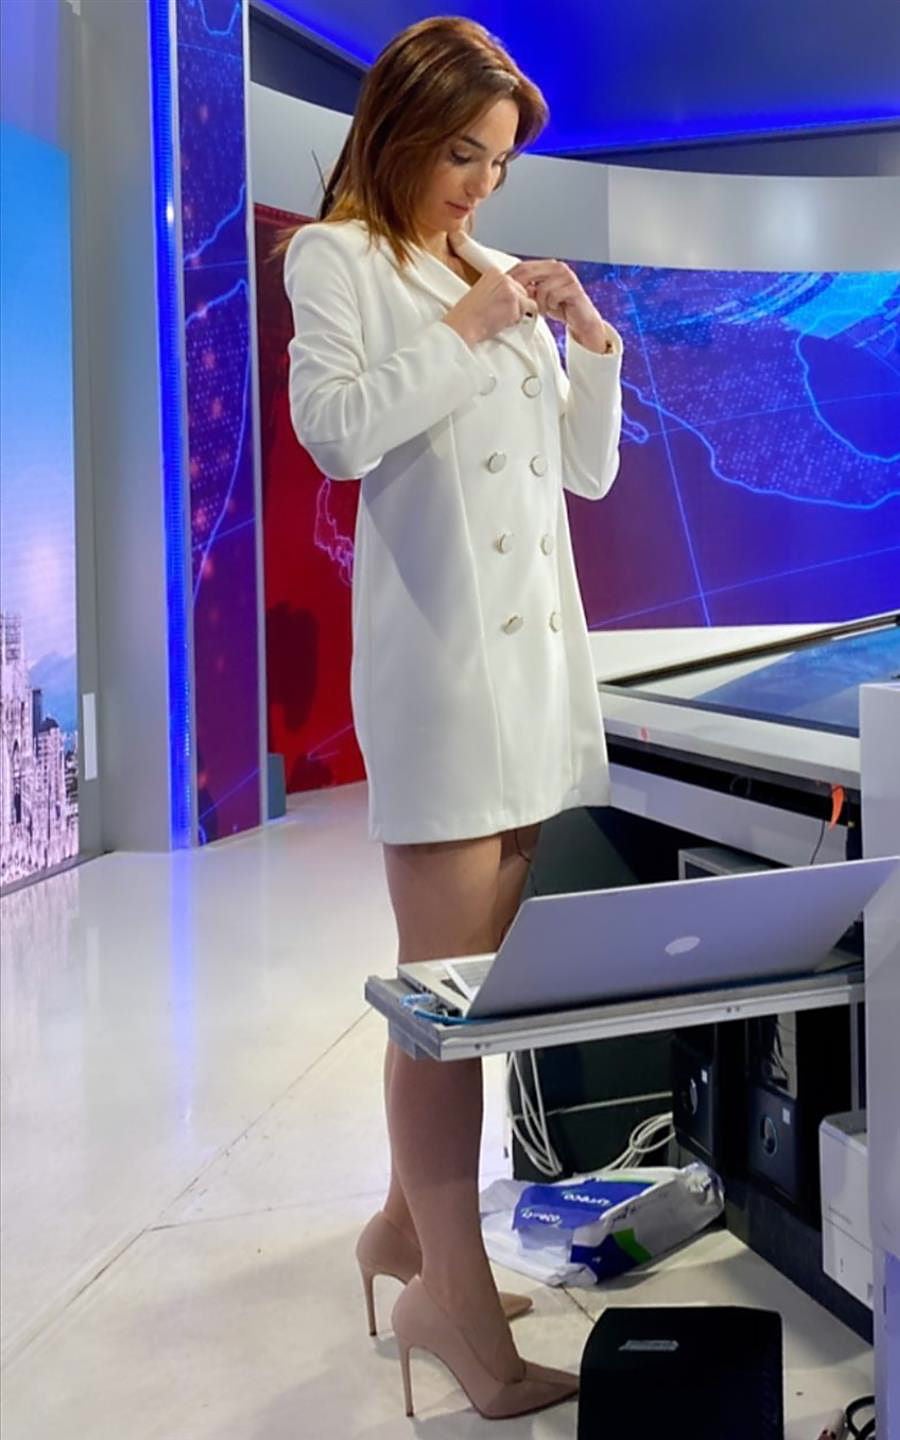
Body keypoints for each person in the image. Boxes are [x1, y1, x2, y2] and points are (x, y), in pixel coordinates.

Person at [284, 15, 623, 1421]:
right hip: (439, 680)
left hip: (533, 679)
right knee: (448, 1009)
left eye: (499, 161)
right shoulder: (340, 259)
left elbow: (582, 477)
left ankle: (401, 1231)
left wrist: (589, 340)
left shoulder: (492, 266)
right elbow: (335, 431)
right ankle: (457, 1307)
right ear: (404, 133)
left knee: (474, 990)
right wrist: (470, 326)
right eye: (464, 154)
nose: (483, 184)